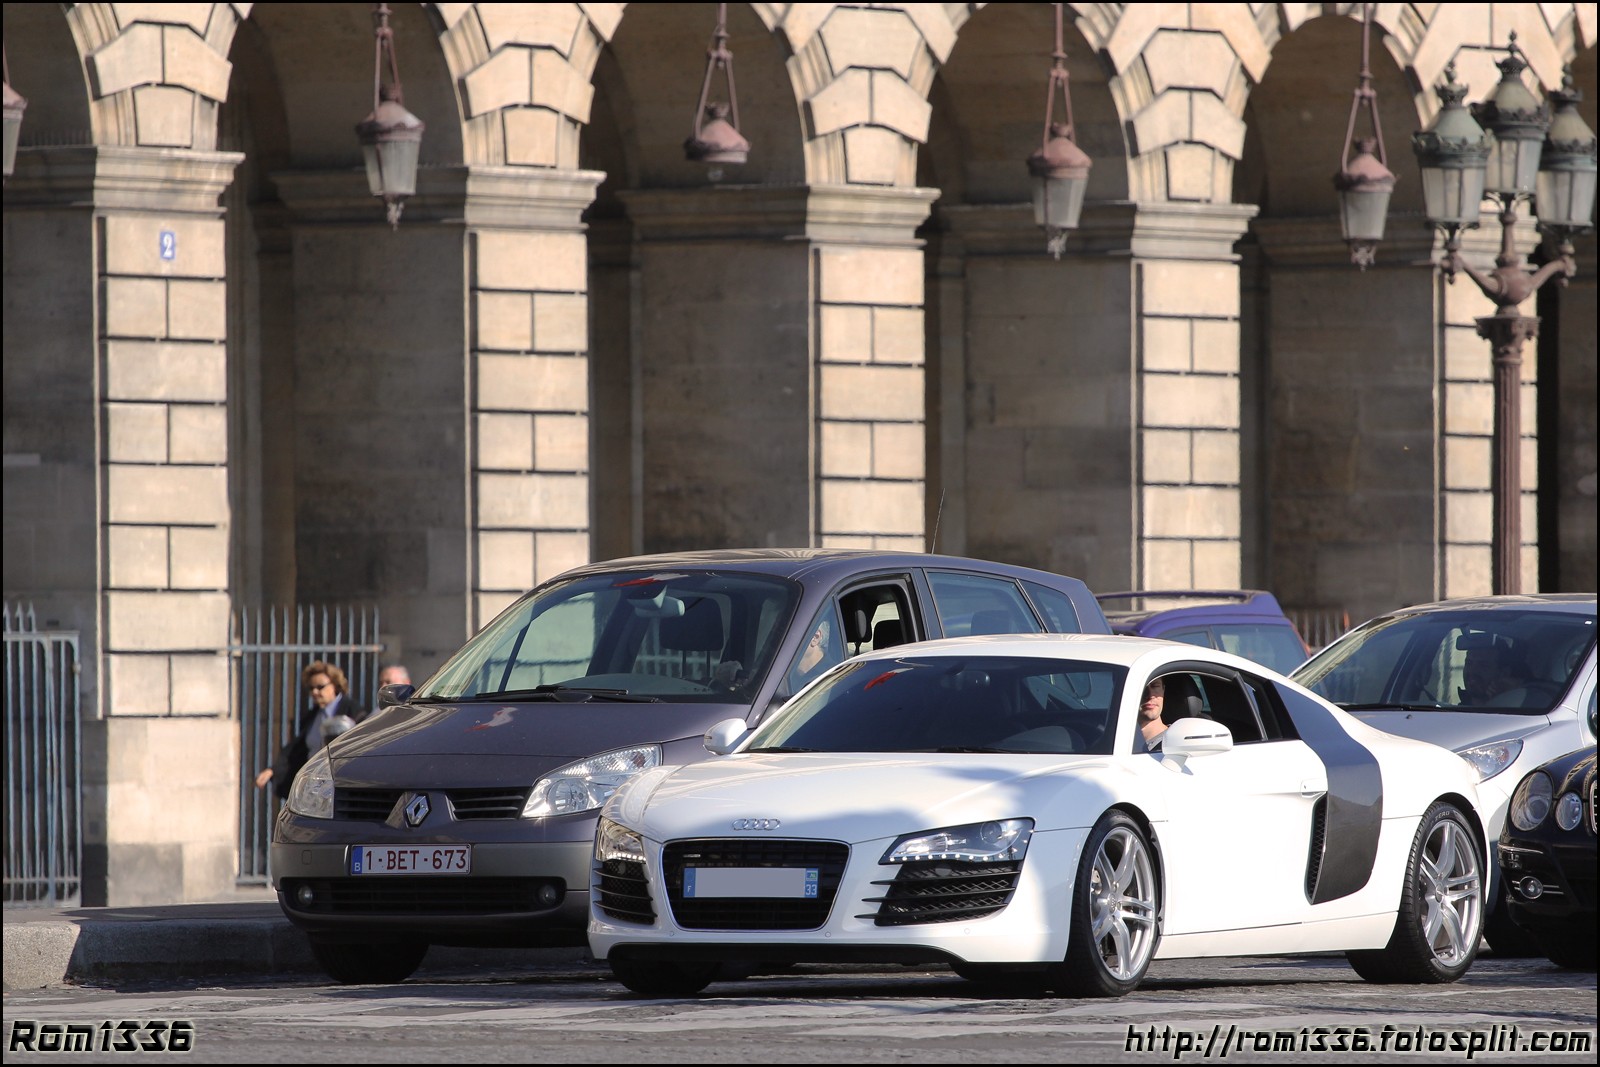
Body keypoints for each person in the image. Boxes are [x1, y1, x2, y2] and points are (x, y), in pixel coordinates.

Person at [254, 661, 368, 800]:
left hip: (342, 784)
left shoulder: (352, 711)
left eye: (320, 687)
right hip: (315, 786)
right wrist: (273, 770)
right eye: (311, 688)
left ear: (335, 685)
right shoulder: (313, 716)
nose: (315, 692)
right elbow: (297, 750)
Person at [1460, 641, 1531, 707]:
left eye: (1483, 665)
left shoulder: (1519, 713)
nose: (1472, 671)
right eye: (1468, 663)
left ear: (1504, 673)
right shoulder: (1454, 712)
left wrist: (1517, 692)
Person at [785, 617, 839, 694]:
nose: (783, 642)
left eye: (791, 634)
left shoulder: (832, 677)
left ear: (815, 637)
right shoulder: (782, 670)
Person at [1137, 676, 1168, 750]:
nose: (1150, 695)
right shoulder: (1115, 740)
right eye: (1142, 687)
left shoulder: (1176, 742)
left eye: (1155, 686)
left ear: (1163, 690)